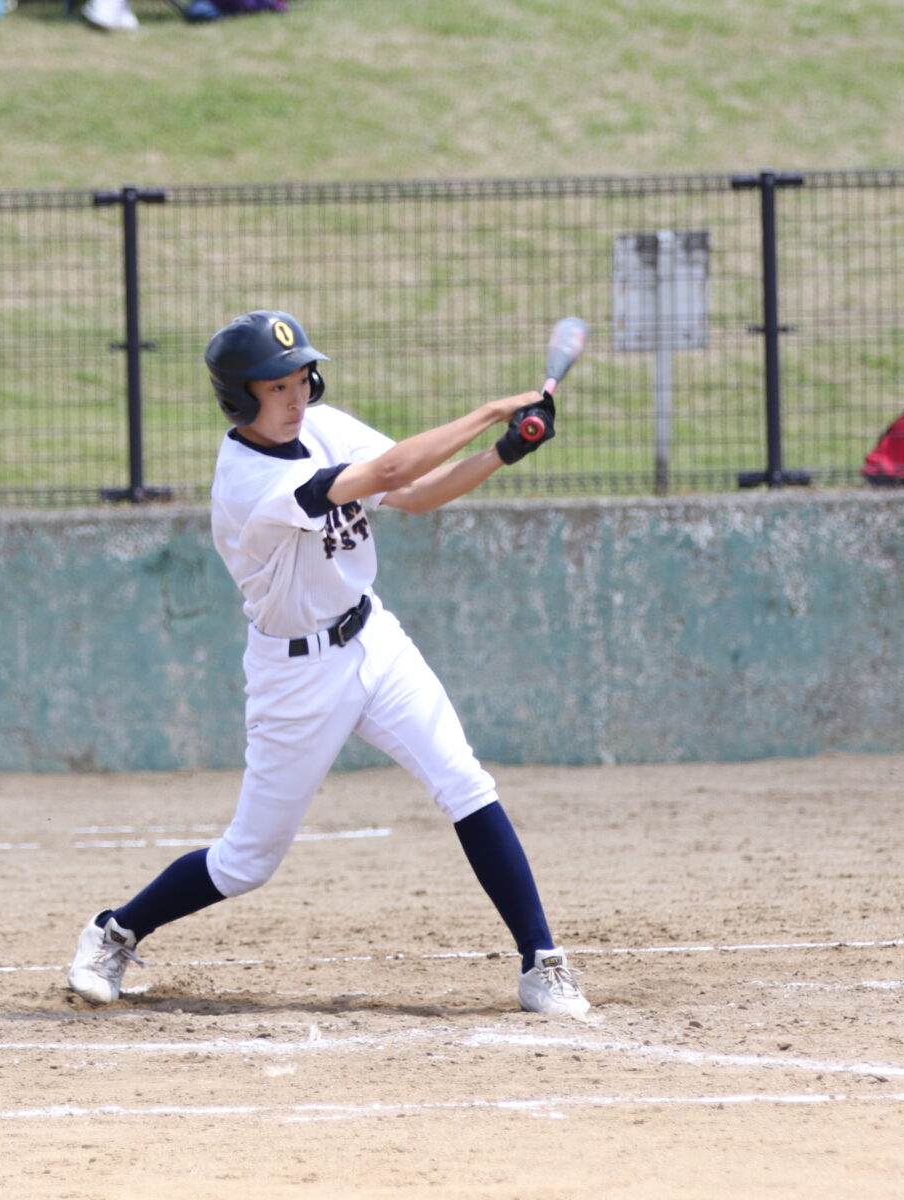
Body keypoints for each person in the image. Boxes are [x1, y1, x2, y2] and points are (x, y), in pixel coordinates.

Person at [67, 311, 592, 1017]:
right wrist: (494, 408)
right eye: (274, 386)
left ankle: (541, 960)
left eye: (300, 379)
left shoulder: (320, 424)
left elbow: (414, 493)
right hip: (295, 675)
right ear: (238, 396)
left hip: (373, 640)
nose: (294, 396)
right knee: (246, 862)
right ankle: (118, 929)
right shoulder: (247, 483)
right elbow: (393, 467)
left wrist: (505, 450)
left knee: (463, 781)